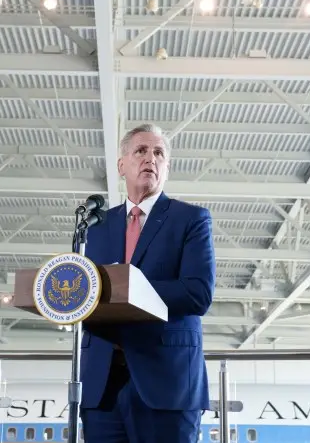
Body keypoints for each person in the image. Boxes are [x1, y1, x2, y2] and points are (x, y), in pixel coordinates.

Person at [80, 123, 216, 443]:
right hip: (102, 384)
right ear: (121, 165)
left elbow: (198, 293)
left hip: (166, 382)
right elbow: (86, 298)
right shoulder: (95, 227)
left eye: (159, 153)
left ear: (167, 166)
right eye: (141, 151)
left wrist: (128, 287)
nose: (150, 159)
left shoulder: (192, 219)